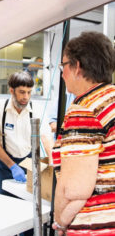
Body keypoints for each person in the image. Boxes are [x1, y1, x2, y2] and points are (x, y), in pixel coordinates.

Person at [51, 31, 115, 235]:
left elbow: (75, 190)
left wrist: (60, 222)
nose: (62, 73)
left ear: (77, 66)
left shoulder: (85, 109)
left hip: (97, 225)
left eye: (63, 66)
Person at [0, 71, 34, 195]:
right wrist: (12, 166)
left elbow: (43, 138)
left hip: (28, 164)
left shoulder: (33, 111)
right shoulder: (0, 110)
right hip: (5, 165)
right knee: (6, 204)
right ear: (12, 91)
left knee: (26, 204)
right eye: (22, 92)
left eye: (29, 92)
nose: (26, 97)